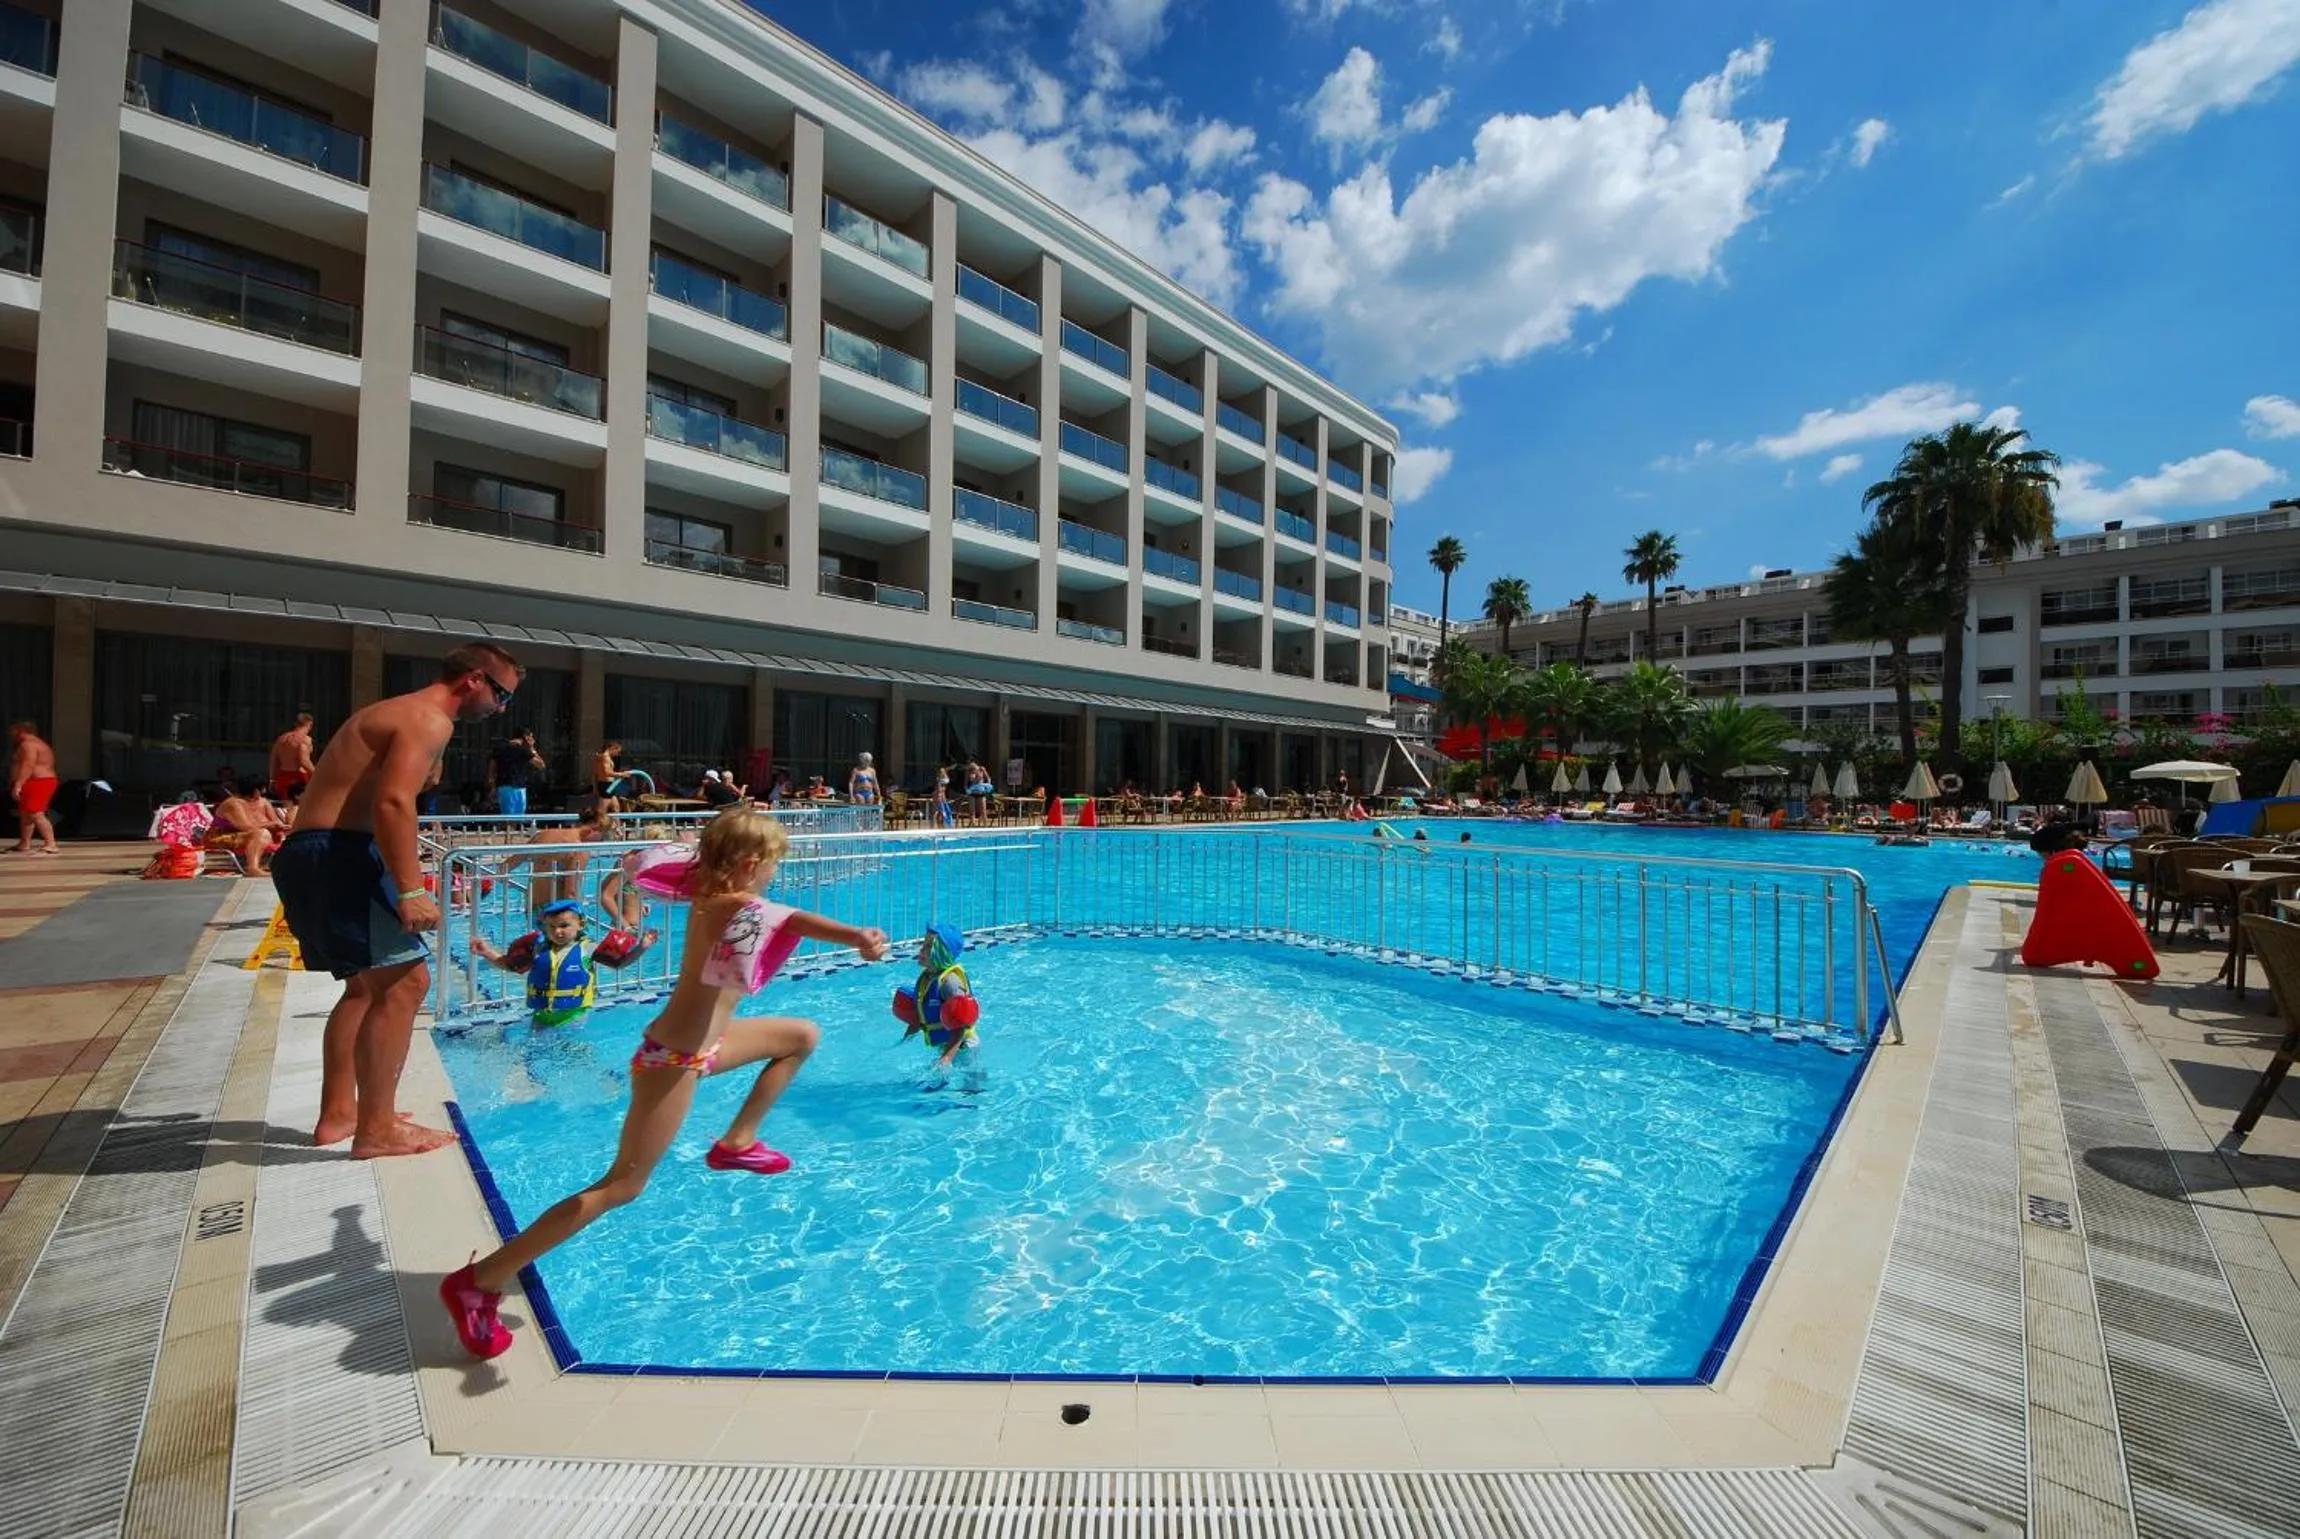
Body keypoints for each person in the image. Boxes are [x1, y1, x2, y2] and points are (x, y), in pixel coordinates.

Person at [439, 808, 891, 1359]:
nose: (775, 874)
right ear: (751, 865)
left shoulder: (705, 888)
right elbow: (791, 919)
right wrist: (857, 936)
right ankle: (480, 1280)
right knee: (622, 1187)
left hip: (707, 1046)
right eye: (772, 865)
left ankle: (737, 1142)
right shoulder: (733, 904)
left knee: (800, 1035)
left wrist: (684, 844)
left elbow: (642, 861)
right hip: (673, 1059)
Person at [274, 642, 519, 1157]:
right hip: (338, 853)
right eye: (501, 696)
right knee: (408, 981)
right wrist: (410, 890)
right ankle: (377, 1129)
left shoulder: (395, 713)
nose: (500, 709)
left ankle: (340, 1116)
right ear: (473, 679)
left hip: (312, 852)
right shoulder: (429, 718)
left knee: (364, 989)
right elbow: (392, 801)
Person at [473, 900, 603, 1028]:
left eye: (564, 926)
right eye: (552, 926)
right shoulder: (538, 948)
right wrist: (486, 952)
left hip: (573, 1015)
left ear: (580, 924)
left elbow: (617, 962)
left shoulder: (588, 948)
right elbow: (510, 965)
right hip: (541, 1015)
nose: (557, 931)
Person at [892, 922, 980, 1070]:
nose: (921, 949)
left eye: (927, 946)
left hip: (964, 1045)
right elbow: (920, 1016)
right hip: (945, 1045)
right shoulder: (926, 979)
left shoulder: (950, 982)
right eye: (923, 944)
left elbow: (960, 1024)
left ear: (940, 953)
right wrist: (904, 1042)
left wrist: (946, 1058)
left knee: (971, 1087)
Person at [506, 803, 616, 915]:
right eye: (603, 836)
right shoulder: (580, 850)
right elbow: (571, 892)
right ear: (593, 829)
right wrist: (576, 918)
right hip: (557, 912)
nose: (601, 841)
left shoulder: (543, 835)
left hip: (532, 909)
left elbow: (509, 864)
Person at [212, 783, 289, 876]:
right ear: (255, 791)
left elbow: (272, 822)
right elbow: (245, 827)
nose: (262, 795)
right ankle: (253, 868)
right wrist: (271, 824)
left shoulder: (258, 802)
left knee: (288, 832)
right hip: (221, 836)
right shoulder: (233, 803)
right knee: (261, 833)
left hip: (243, 834)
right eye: (261, 791)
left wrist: (279, 829)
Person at [8, 721, 60, 856]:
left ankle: (51, 844)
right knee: (26, 813)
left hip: (39, 781)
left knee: (35, 812)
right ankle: (24, 844)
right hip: (34, 781)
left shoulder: (29, 744)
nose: (10, 734)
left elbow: (28, 765)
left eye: (13, 730)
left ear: (21, 730)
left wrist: (18, 784)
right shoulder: (36, 743)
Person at [488, 728, 545, 817]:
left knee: (508, 817)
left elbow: (492, 769)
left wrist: (492, 786)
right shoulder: (523, 750)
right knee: (516, 817)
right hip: (518, 787)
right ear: (526, 737)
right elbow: (541, 765)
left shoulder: (500, 748)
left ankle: (508, 829)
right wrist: (532, 748)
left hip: (504, 786)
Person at [269, 712, 317, 803]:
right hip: (298, 777)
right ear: (309, 724)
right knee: (301, 808)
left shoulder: (281, 739)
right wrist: (317, 773)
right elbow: (304, 761)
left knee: (287, 807)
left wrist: (272, 779)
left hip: (282, 776)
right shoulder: (305, 739)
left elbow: (274, 761)